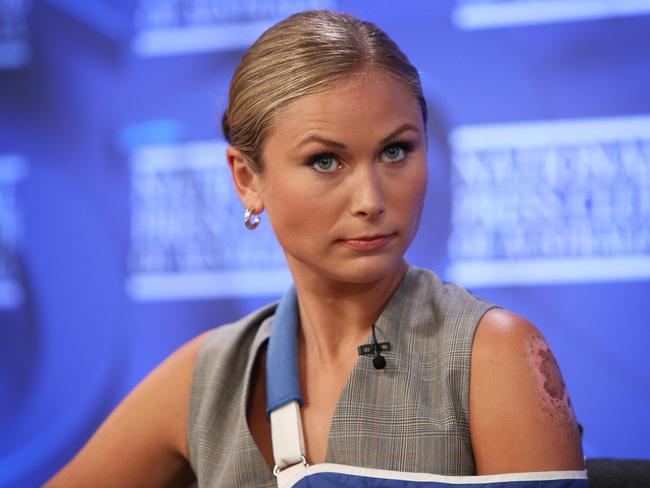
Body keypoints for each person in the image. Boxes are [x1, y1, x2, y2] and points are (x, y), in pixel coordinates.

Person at [47, 10, 585, 488]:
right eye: (326, 161)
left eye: (396, 151)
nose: (371, 200)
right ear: (246, 179)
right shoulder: (207, 377)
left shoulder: (493, 355)